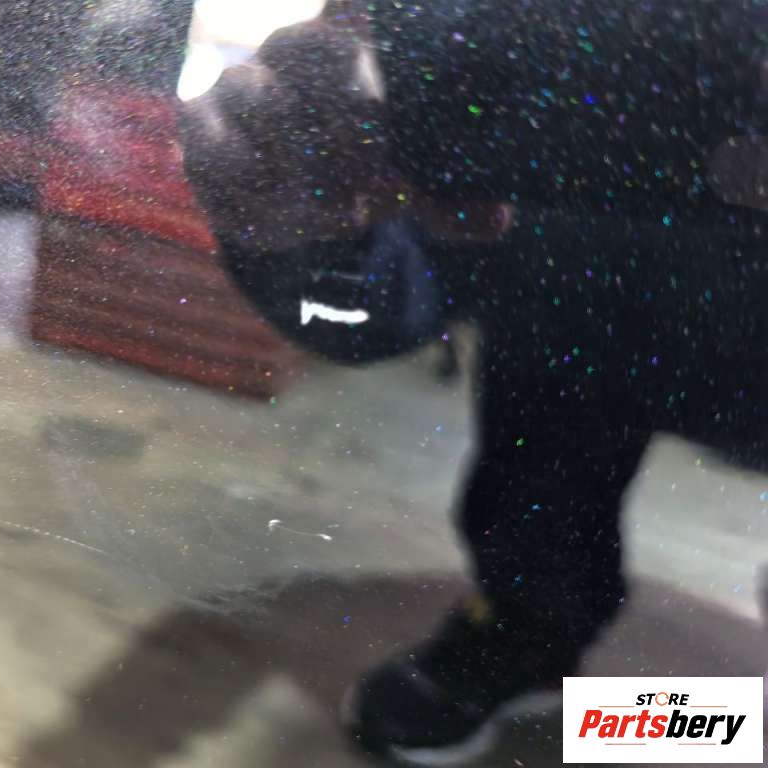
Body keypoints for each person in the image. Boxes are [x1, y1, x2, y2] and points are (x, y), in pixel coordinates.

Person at [178, 0, 768, 764]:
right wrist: (305, 232)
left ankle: (602, 687)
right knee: (542, 479)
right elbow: (390, 291)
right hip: (575, 325)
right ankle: (529, 638)